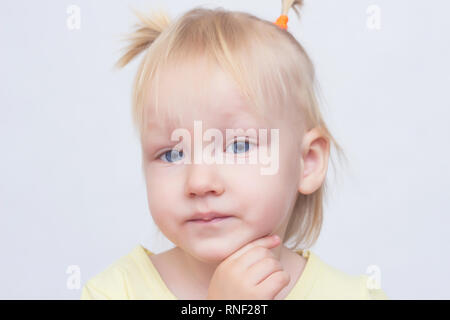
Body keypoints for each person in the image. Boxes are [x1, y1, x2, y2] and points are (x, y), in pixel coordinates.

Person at [81, 0, 388, 300]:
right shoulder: (114, 293)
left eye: (238, 146)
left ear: (307, 161)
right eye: (172, 154)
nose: (199, 183)